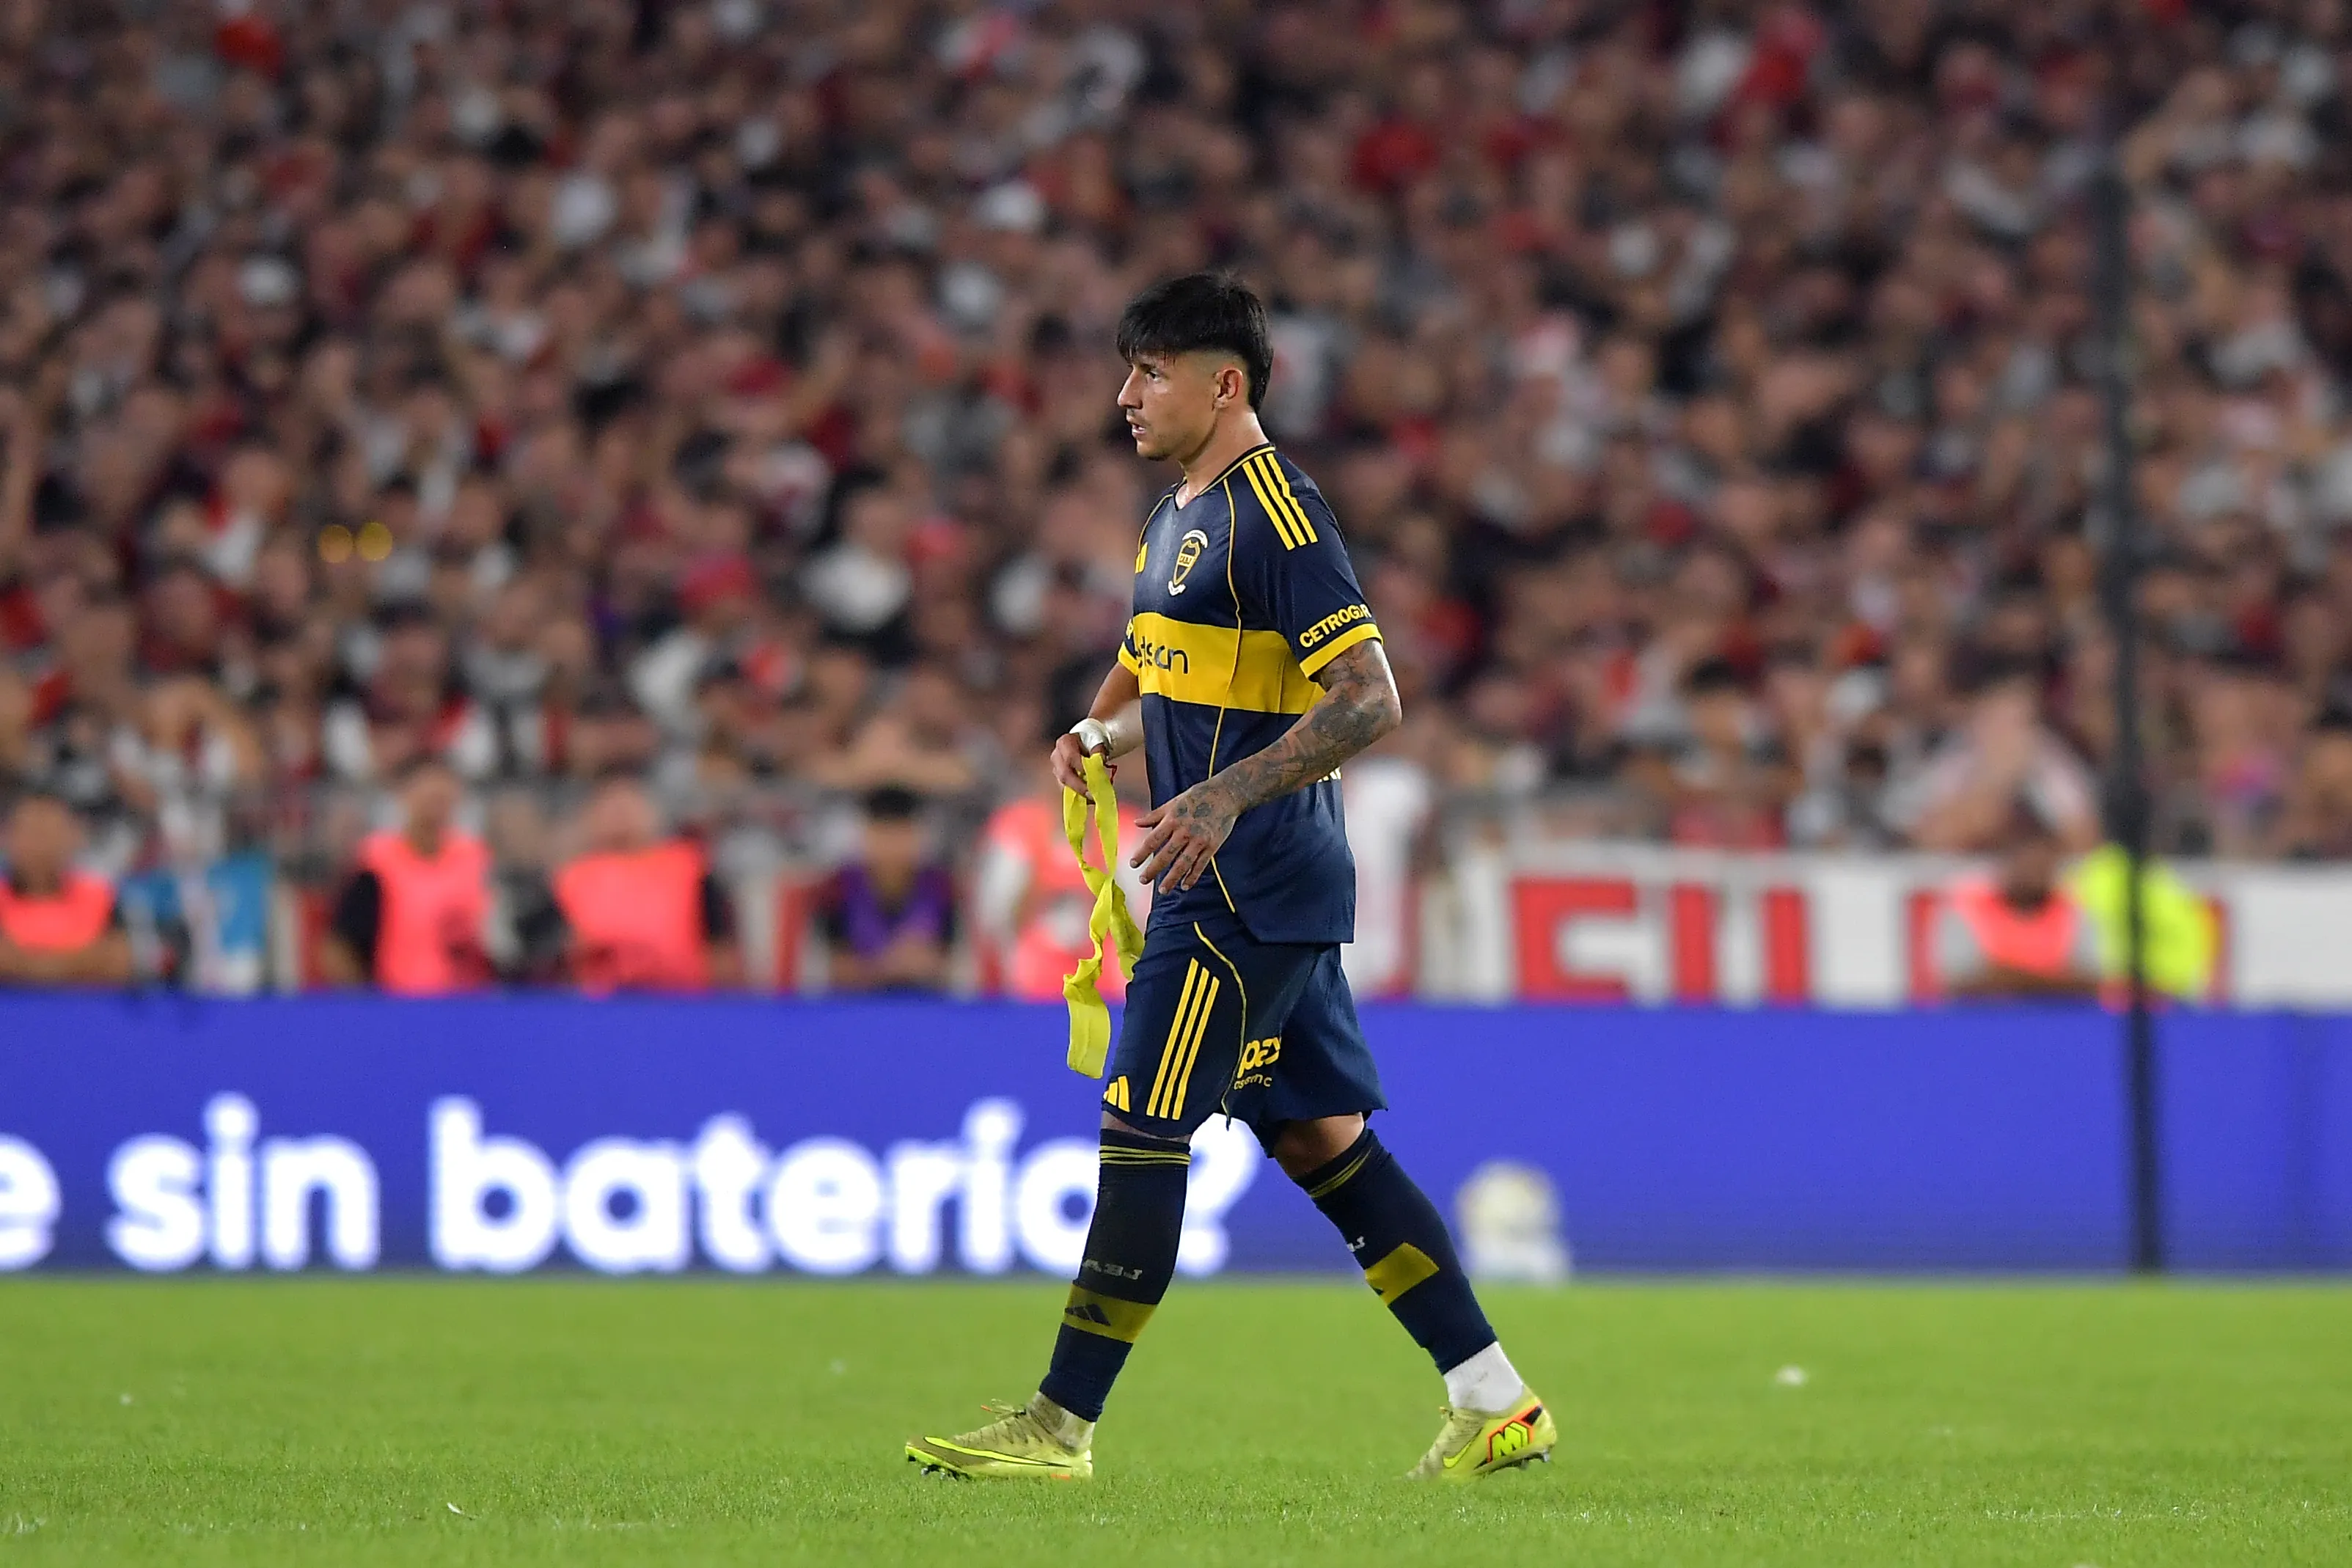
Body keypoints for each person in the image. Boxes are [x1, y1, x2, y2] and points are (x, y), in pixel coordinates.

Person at [908, 274, 1552, 1483]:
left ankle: (1059, 1425)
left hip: (1245, 878)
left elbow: (1370, 696)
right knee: (1320, 1142)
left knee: (1139, 1124)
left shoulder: (1279, 514)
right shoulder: (1175, 514)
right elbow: (1154, 654)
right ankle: (1496, 1397)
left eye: (1149, 370)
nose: (1123, 394)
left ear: (1227, 382)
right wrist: (1098, 730)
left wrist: (1216, 792)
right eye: (1125, 368)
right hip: (1247, 876)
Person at [551, 775, 741, 993]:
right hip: (599, 1003)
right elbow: (556, 954)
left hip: (681, 999)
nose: (621, 817)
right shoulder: (571, 879)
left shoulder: (691, 869)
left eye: (629, 805)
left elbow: (720, 945)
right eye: (610, 808)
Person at [321, 756, 491, 994]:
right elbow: (342, 946)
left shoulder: (478, 861)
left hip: (467, 1003)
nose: (436, 800)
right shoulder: (376, 863)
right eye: (427, 793)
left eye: (443, 793)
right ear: (402, 795)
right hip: (400, 1003)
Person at [1933, 801, 2103, 1002]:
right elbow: (1961, 982)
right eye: (2024, 855)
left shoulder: (2072, 908)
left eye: (2043, 857)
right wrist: (2053, 980)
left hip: (2057, 1023)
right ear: (2006, 859)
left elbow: (2091, 982)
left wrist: (2009, 977)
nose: (2034, 867)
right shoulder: (1967, 905)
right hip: (1985, 1024)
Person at [816, 784, 958, 994]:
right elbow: (834, 968)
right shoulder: (838, 888)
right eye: (883, 834)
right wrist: (889, 966)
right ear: (866, 835)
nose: (891, 846)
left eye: (900, 834)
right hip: (854, 1006)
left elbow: (950, 965)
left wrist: (927, 964)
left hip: (925, 1005)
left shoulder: (941, 887)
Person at [0, 792, 132, 986]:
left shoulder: (100, 897)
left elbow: (119, 962)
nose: (41, 847)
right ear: (8, 838)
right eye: (32, 834)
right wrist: (83, 960)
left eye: (49, 833)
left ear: (73, 837)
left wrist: (29, 964)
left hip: (86, 1012)